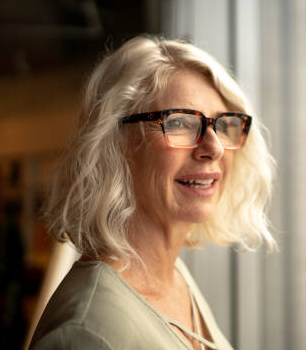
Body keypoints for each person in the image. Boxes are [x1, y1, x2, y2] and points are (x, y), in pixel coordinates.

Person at [28, 36, 276, 350]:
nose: (213, 147)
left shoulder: (172, 277)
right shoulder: (88, 334)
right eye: (181, 123)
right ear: (116, 143)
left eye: (221, 124)